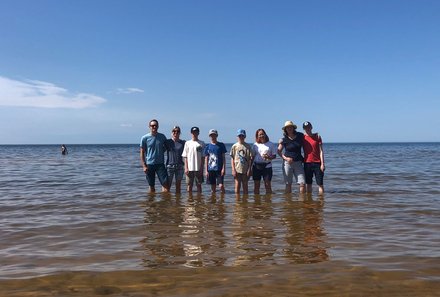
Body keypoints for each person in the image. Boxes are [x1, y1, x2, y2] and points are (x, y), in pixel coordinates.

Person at [140, 119, 170, 193]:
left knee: (165, 184)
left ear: (158, 126)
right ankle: (151, 203)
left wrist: (161, 151)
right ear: (149, 127)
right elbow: (142, 152)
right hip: (150, 164)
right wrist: (144, 165)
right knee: (151, 186)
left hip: (160, 164)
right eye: (152, 125)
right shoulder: (144, 138)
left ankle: (164, 203)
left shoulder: (162, 136)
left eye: (155, 125)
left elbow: (167, 147)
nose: (154, 127)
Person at [278, 121, 306, 194]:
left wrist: (316, 135)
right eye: (287, 127)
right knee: (288, 184)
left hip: (298, 162)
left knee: (302, 183)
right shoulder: (284, 139)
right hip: (287, 163)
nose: (289, 128)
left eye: (290, 127)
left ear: (293, 128)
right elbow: (278, 151)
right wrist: (286, 158)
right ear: (285, 129)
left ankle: (302, 203)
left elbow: (308, 136)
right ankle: (288, 203)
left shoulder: (300, 136)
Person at [303, 121, 325, 195]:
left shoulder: (317, 136)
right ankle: (309, 202)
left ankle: (321, 203)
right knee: (308, 184)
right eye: (306, 128)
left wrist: (322, 164)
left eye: (309, 127)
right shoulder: (302, 137)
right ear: (304, 129)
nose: (307, 129)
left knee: (320, 184)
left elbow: (321, 151)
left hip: (317, 163)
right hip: (307, 163)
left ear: (311, 127)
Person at [252, 129, 277, 194]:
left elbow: (274, 156)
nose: (261, 136)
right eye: (259, 135)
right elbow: (253, 156)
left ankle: (268, 203)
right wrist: (249, 167)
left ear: (265, 134)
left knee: (267, 185)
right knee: (256, 186)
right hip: (256, 166)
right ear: (257, 136)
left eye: (262, 134)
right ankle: (257, 202)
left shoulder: (271, 144)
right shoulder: (255, 145)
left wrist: (269, 157)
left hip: (267, 166)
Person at [182, 126, 205, 194]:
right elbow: (185, 156)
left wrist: (201, 168)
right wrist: (186, 167)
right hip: (189, 168)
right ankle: (189, 201)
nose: (194, 133)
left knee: (199, 185)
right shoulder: (187, 143)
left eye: (196, 132)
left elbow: (203, 157)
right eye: (193, 132)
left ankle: (199, 201)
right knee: (189, 185)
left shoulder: (202, 143)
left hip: (198, 168)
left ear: (198, 133)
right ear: (191, 133)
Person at [230, 129, 254, 195]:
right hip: (237, 169)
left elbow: (251, 159)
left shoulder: (248, 146)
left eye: (242, 136)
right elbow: (232, 158)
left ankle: (245, 202)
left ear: (245, 136)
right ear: (237, 136)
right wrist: (233, 169)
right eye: (239, 136)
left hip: (245, 169)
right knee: (237, 185)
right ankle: (237, 202)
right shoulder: (234, 146)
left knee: (245, 186)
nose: (241, 137)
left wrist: (249, 169)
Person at [204, 129, 227, 194]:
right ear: (209, 136)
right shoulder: (207, 146)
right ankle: (213, 202)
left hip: (219, 169)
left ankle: (222, 200)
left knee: (221, 186)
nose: (213, 136)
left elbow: (223, 157)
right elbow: (206, 158)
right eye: (211, 135)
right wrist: (206, 170)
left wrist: (223, 168)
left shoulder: (221, 145)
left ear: (216, 135)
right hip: (210, 169)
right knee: (213, 187)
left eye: (214, 135)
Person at [165, 126, 186, 194]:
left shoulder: (183, 143)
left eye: (177, 131)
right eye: (174, 131)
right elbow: (159, 150)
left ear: (180, 133)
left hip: (180, 166)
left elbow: (187, 154)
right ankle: (167, 202)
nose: (176, 133)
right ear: (172, 133)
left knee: (178, 186)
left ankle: (178, 202)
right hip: (169, 166)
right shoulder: (167, 142)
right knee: (167, 186)